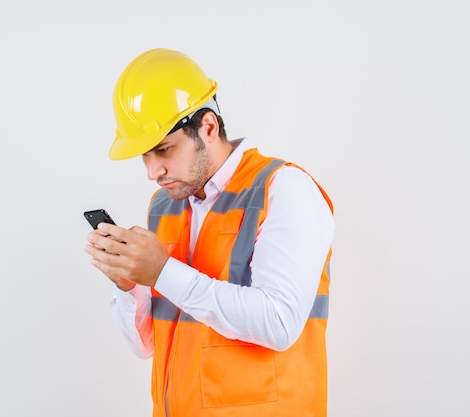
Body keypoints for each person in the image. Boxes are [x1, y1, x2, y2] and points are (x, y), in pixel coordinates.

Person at [84, 48, 335, 417]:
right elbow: (146, 346)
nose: (152, 172)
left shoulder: (284, 188)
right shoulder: (165, 205)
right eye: (144, 156)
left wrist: (161, 271)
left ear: (208, 127)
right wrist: (129, 284)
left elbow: (279, 323)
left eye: (164, 149)